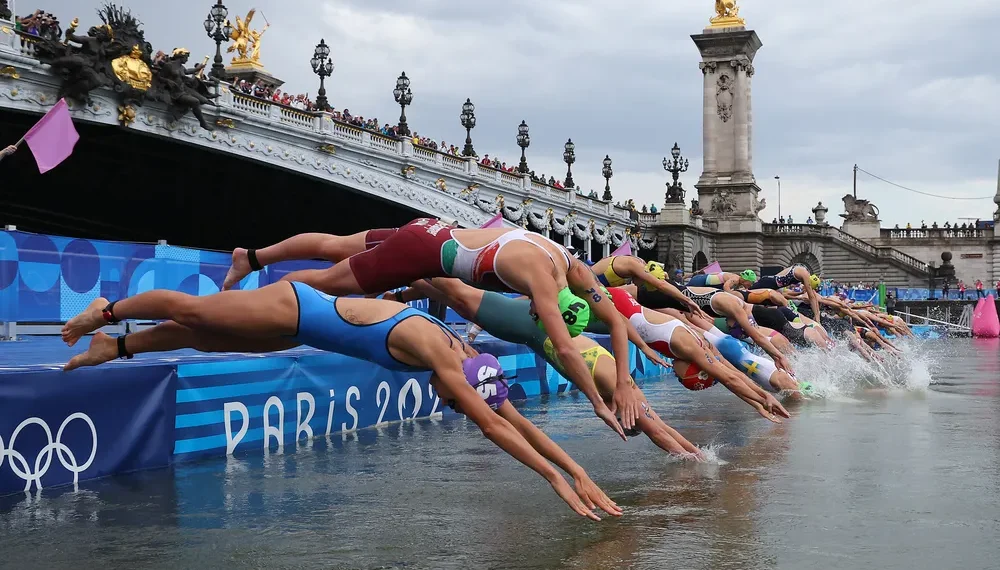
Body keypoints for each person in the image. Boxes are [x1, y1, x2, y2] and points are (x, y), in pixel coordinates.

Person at [60, 284, 621, 521]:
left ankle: (117, 346)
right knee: (196, 313)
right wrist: (554, 480)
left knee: (205, 337)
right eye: (456, 406)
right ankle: (108, 312)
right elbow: (499, 431)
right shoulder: (448, 359)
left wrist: (577, 471)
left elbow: (513, 419)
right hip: (298, 308)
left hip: (303, 329)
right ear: (463, 386)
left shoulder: (466, 361)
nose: (451, 409)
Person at [219, 221, 646, 438]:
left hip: (428, 227)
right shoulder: (544, 284)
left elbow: (614, 319)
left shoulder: (567, 262)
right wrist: (599, 404)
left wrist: (624, 381)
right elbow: (568, 351)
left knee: (334, 245)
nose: (534, 312)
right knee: (326, 284)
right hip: (420, 253)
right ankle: (265, 299)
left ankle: (252, 257)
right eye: (540, 312)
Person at [397, 277, 703, 457]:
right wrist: (693, 463)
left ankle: (400, 291)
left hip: (532, 328)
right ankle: (405, 271)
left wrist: (697, 453)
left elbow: (663, 428)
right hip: (529, 326)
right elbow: (659, 433)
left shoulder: (625, 394)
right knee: (460, 295)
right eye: (623, 423)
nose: (617, 421)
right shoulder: (624, 396)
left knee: (458, 296)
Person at [603, 287, 790, 422]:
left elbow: (732, 374)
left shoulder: (702, 343)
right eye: (682, 379)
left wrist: (758, 403)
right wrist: (764, 398)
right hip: (615, 300)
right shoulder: (688, 347)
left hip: (625, 301)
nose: (677, 377)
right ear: (692, 368)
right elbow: (729, 379)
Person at [588, 255, 708, 318]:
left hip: (592, 291)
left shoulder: (631, 265)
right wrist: (688, 301)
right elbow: (661, 284)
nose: (638, 285)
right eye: (644, 283)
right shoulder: (634, 265)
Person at [750, 265, 822, 324]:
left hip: (771, 285)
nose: (803, 285)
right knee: (745, 294)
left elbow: (814, 296)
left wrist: (817, 313)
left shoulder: (803, 273)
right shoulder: (805, 274)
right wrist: (817, 318)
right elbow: (811, 296)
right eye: (805, 285)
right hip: (767, 283)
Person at [686, 270, 758, 293]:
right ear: (746, 280)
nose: (751, 285)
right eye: (751, 283)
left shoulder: (738, 281)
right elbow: (726, 287)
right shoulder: (735, 279)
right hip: (700, 281)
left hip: (701, 279)